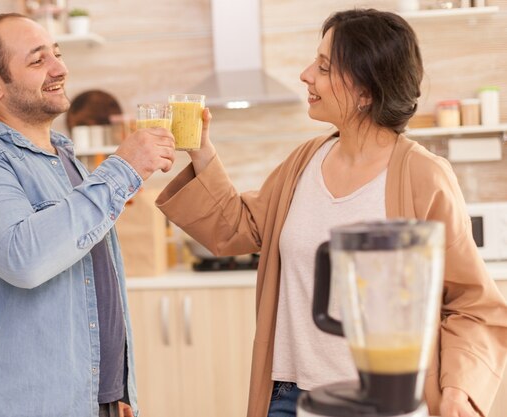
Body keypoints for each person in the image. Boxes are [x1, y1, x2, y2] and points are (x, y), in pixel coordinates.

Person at [156, 8, 507, 417]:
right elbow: (238, 228)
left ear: (366, 91)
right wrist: (202, 150)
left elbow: (472, 303)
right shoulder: (304, 160)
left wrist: (459, 388)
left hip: (380, 402)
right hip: (288, 395)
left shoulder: (423, 176)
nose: (306, 74)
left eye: (323, 66)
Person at [0, 13, 175, 417]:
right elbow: (24, 259)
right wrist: (122, 169)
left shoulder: (66, 159)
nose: (60, 69)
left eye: (58, 54)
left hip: (99, 403)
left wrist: (119, 390)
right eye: (37, 60)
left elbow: (94, 283)